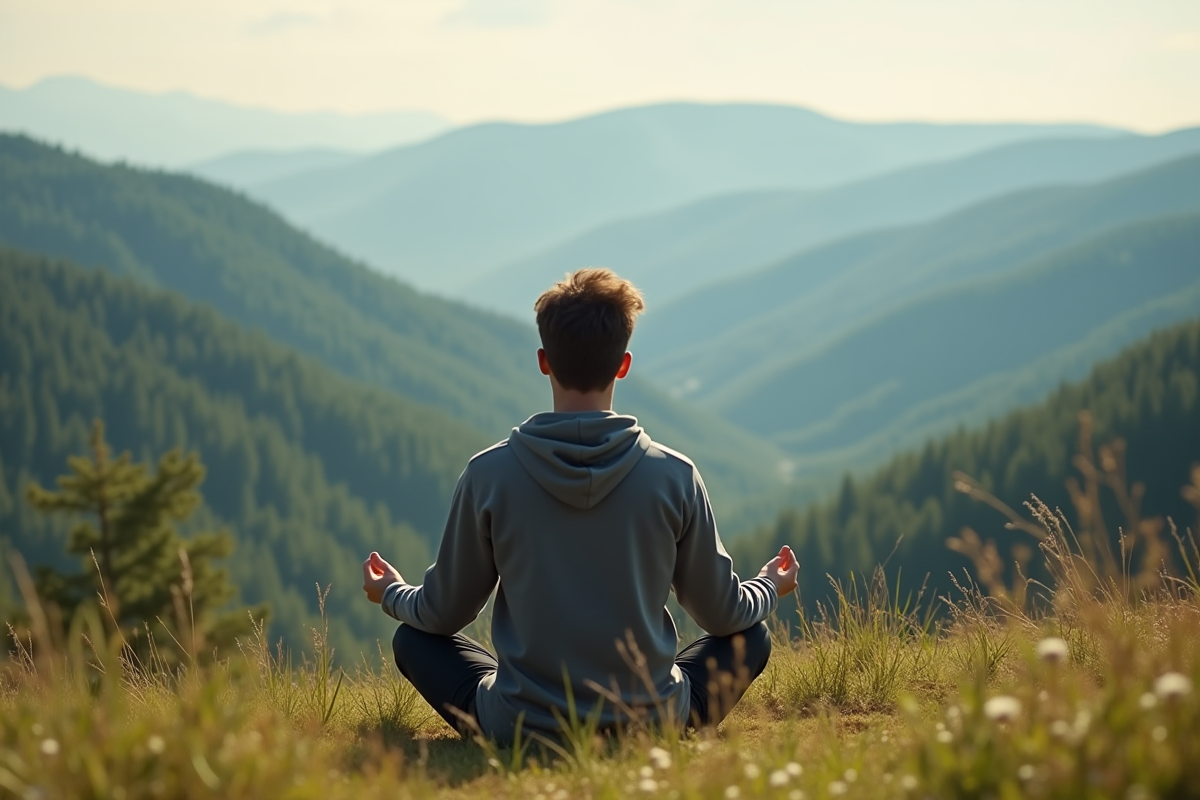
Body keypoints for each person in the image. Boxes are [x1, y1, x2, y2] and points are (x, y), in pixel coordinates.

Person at [362, 268, 798, 745]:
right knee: (751, 636)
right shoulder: (674, 475)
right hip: (650, 721)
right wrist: (769, 586)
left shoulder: (490, 474)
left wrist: (393, 592)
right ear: (623, 365)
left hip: (520, 725)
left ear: (544, 361)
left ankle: (514, 715)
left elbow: (442, 613)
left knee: (413, 639)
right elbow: (724, 615)